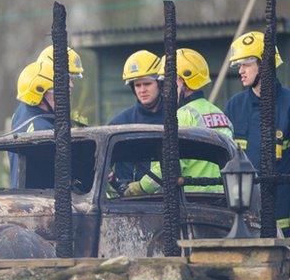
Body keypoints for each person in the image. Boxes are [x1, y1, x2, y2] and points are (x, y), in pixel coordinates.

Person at [124, 48, 232, 196]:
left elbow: (168, 164)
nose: (165, 89)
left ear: (180, 82)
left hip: (192, 200)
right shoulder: (220, 115)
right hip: (223, 199)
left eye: (168, 82)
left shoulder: (181, 116)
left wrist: (140, 187)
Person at [223, 31, 290, 235]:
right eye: (239, 65)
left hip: (284, 213)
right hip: (246, 215)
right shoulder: (235, 106)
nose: (241, 71)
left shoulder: (288, 104)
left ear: (264, 64)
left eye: (246, 64)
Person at [8, 46, 84, 187]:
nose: (71, 85)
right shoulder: (42, 129)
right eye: (65, 79)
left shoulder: (21, 113)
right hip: (45, 203)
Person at [107, 50, 165, 186]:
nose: (142, 90)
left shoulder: (176, 118)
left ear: (160, 84)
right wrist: (113, 180)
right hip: (128, 202)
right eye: (137, 85)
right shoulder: (119, 124)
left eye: (147, 84)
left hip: (169, 201)